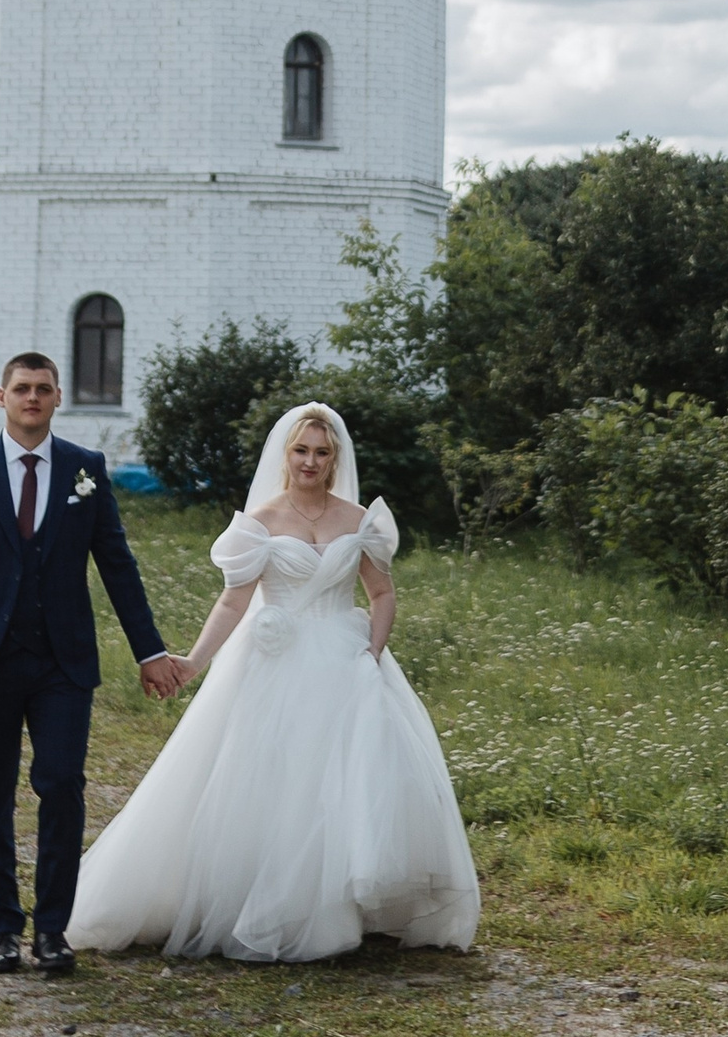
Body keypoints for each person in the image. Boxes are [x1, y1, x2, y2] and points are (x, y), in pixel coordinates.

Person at [67, 400, 480, 963]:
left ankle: (338, 903)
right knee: (271, 780)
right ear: (285, 454)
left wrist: (371, 653)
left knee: (345, 780)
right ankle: (262, 903)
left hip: (343, 656)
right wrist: (194, 660)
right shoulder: (259, 522)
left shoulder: (358, 521)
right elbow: (233, 601)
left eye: (321, 452)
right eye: (301, 450)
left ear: (335, 459)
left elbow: (382, 595)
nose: (310, 461)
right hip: (273, 661)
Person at [0, 349, 187, 977]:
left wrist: (148, 651)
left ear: (58, 397)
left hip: (63, 663)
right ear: (2, 397)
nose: (32, 398)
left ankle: (52, 930)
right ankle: (1, 930)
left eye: (43, 388)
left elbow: (116, 564)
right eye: (21, 389)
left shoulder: (84, 470)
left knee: (63, 785)